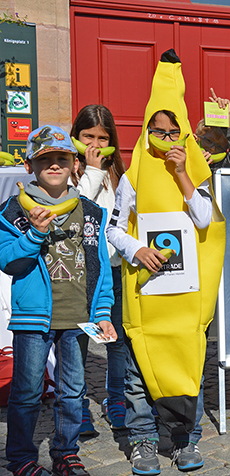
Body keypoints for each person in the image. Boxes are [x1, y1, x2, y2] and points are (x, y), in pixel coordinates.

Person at [106, 50, 225, 474]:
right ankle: (141, 440)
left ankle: (184, 440)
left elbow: (205, 219)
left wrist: (182, 174)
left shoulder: (194, 169)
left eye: (174, 131)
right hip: (147, 288)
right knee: (139, 369)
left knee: (188, 360)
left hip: (187, 294)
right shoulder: (134, 176)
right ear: (146, 130)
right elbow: (114, 229)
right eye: (158, 131)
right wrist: (136, 249)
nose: (166, 138)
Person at [1, 125, 116, 476]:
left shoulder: (91, 211)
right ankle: (21, 458)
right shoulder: (13, 211)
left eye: (61, 158)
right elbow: (8, 262)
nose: (54, 165)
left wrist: (103, 311)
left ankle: (66, 452)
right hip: (33, 319)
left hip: (78, 317)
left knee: (73, 392)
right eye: (45, 159)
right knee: (26, 392)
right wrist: (34, 233)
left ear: (75, 164)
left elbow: (100, 267)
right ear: (29, 166)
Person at [70, 104, 128, 435]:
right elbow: (75, 211)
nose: (94, 144)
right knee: (76, 338)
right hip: (80, 275)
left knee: (116, 340)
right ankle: (76, 403)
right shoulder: (70, 173)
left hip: (114, 270)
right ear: (76, 136)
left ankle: (116, 397)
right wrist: (90, 170)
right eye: (87, 136)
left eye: (102, 138)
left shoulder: (118, 174)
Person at [195, 88, 230, 170]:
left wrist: (227, 115)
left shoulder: (221, 165)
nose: (212, 148)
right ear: (198, 137)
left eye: (220, 147)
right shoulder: (186, 157)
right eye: (209, 141)